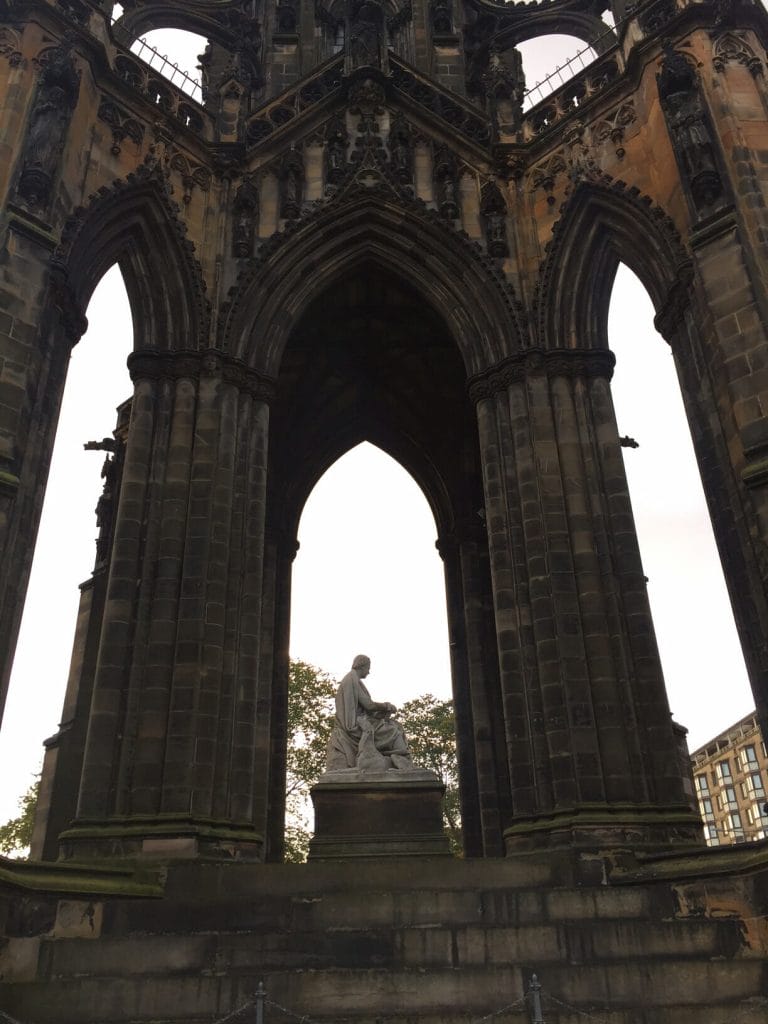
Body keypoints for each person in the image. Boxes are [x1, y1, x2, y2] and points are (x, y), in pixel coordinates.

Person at [326, 655, 414, 771]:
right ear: (362, 666)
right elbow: (368, 705)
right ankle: (403, 761)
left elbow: (365, 708)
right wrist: (386, 706)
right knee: (394, 730)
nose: (369, 672)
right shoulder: (352, 679)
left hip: (358, 720)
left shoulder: (351, 679)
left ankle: (399, 760)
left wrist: (380, 713)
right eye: (368, 668)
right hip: (355, 725)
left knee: (394, 725)